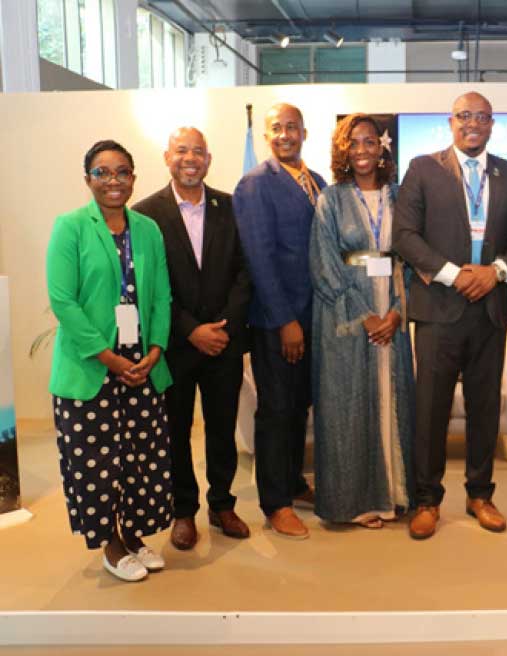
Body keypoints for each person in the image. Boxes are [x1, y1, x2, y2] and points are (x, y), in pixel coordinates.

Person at [393, 91, 507, 540]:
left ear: (492, 124)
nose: (473, 123)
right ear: (451, 122)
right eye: (464, 115)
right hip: (438, 311)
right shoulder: (422, 168)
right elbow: (405, 236)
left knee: (484, 408)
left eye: (481, 117)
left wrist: (496, 272)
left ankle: (480, 495)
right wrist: (455, 275)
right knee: (430, 409)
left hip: (489, 310)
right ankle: (427, 499)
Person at [47, 140, 173, 582]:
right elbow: (63, 301)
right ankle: (112, 544)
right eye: (102, 172)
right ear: (88, 180)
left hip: (142, 365)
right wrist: (109, 358)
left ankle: (136, 535)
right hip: (91, 367)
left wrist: (155, 349)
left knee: (141, 456)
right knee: (98, 462)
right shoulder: (71, 227)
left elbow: (160, 295)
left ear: (134, 177)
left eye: (122, 171)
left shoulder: (148, 229)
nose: (113, 180)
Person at [132, 127, 252, 550]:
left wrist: (221, 328)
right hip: (175, 346)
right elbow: (151, 285)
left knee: (222, 429)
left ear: (209, 158)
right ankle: (183, 511)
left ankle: (222, 505)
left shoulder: (232, 207)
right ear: (167, 157)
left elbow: (244, 272)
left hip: (225, 341)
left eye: (197, 151)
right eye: (181, 150)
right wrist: (190, 330)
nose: (190, 158)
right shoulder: (144, 214)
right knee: (175, 431)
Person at [309, 113, 415, 528]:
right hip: (345, 320)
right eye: (353, 143)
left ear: (382, 147)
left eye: (370, 142)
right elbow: (323, 264)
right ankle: (354, 503)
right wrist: (365, 316)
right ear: (343, 150)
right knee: (347, 406)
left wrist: (394, 313)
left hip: (394, 311)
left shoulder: (401, 196)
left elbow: (410, 255)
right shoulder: (330, 199)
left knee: (394, 399)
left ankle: (394, 495)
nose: (362, 150)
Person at [233, 103, 327, 539]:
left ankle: (293, 482)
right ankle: (275, 503)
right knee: (275, 410)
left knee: (299, 408)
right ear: (267, 136)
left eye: (292, 127)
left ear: (304, 133)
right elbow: (259, 258)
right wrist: (285, 320)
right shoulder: (255, 184)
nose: (285, 135)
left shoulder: (318, 182)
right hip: (278, 321)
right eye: (277, 128)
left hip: (316, 319)